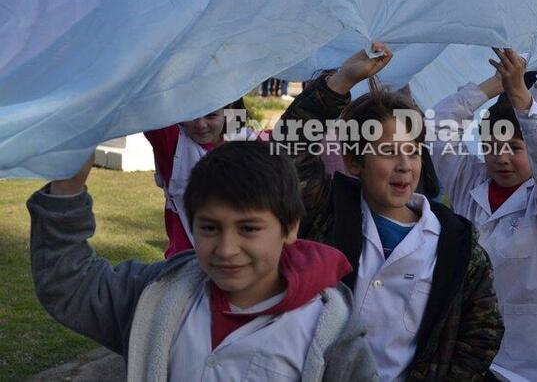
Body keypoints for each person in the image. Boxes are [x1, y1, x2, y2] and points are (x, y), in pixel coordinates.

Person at [28, 141, 377, 381]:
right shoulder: (156, 298)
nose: (226, 249)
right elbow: (70, 285)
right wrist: (67, 190)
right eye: (209, 228)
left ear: (290, 228)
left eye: (248, 228)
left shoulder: (330, 334)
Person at [275, 43, 503, 381]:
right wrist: (341, 81)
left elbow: (483, 330)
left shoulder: (456, 243)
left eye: (412, 153)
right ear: (354, 162)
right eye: (387, 151)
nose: (404, 167)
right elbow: (287, 151)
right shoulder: (328, 213)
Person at [430, 48, 537, 382]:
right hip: (471, 345)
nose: (502, 157)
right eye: (493, 146)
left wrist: (523, 98)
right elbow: (437, 127)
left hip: (532, 351)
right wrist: (492, 86)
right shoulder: (469, 179)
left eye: (514, 147)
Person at [145, 98, 250, 258]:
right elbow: (150, 104)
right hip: (187, 262)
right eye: (192, 114)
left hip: (233, 258)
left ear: (227, 113)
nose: (200, 124)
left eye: (210, 115)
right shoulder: (173, 144)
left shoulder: (241, 142)